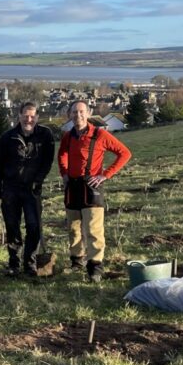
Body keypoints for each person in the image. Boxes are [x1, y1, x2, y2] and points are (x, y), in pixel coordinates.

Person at [58, 100, 132, 282]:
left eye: (82, 112)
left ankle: (95, 267)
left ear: (89, 113)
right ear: (70, 115)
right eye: (74, 112)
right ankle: (76, 262)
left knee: (93, 229)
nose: (78, 115)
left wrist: (105, 175)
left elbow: (125, 153)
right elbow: (61, 155)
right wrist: (64, 173)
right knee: (73, 228)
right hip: (72, 187)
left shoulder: (100, 135)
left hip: (92, 187)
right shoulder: (68, 136)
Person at [0, 102, 55, 277]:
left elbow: (47, 162)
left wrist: (38, 180)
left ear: (37, 117)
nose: (29, 119)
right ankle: (14, 263)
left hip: (32, 189)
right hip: (11, 188)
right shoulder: (8, 137)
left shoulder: (45, 135)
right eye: (25, 116)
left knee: (33, 226)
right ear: (18, 116)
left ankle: (30, 264)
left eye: (32, 116)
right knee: (12, 226)